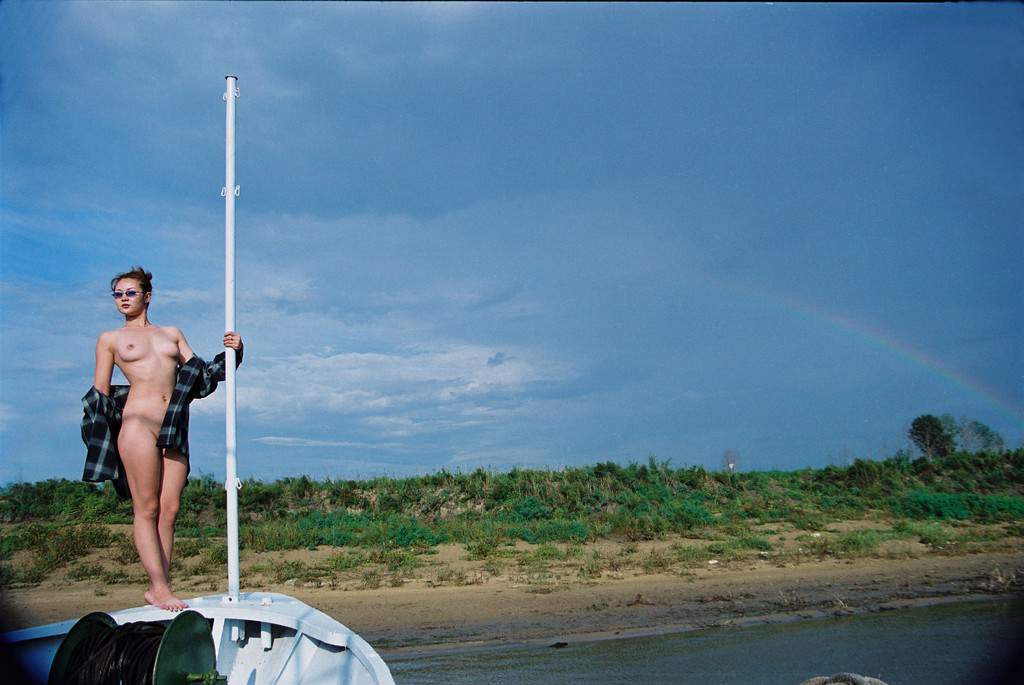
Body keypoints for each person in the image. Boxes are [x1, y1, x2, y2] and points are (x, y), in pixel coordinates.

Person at [85, 266, 243, 611]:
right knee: (147, 507)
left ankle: (159, 588)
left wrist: (235, 352)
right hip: (137, 425)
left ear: (147, 296)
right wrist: (101, 444)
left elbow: (200, 376)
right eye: (117, 294)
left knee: (170, 509)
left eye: (130, 293)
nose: (123, 299)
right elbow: (100, 394)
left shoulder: (172, 334)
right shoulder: (110, 339)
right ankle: (159, 587)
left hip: (173, 426)